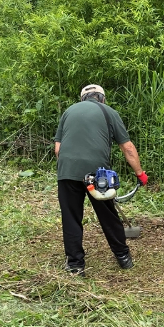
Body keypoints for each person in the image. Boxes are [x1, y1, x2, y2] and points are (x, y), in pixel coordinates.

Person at [54, 84, 149, 276]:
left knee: (71, 217)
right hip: (97, 173)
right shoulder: (109, 112)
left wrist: (72, 171)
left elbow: (58, 149)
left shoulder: (69, 112)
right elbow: (127, 148)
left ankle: (75, 265)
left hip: (66, 170)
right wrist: (140, 174)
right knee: (107, 214)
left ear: (83, 99)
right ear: (102, 98)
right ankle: (123, 257)